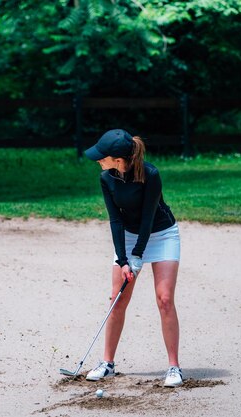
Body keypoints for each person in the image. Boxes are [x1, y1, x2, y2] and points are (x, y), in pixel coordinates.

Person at [83, 128, 183, 387]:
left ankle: (174, 367)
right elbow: (115, 220)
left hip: (161, 234)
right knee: (118, 299)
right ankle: (108, 363)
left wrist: (137, 256)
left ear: (118, 159)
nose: (98, 160)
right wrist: (123, 260)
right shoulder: (107, 177)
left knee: (164, 299)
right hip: (127, 236)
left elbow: (149, 218)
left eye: (102, 156)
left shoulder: (150, 174)